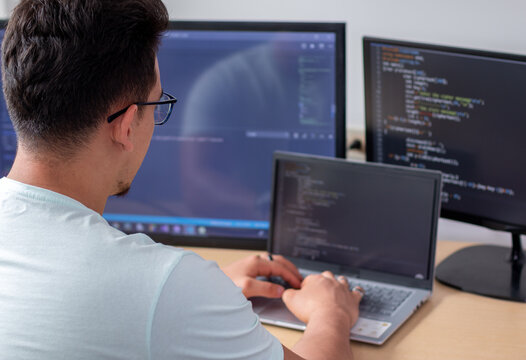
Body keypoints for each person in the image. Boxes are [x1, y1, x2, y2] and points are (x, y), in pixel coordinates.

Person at [0, 1, 363, 359]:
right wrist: (332, 315)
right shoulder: (161, 285)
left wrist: (201, 297)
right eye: (157, 105)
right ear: (126, 127)